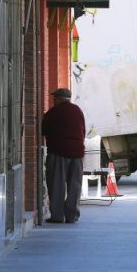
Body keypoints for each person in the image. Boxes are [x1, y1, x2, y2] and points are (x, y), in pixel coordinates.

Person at [42, 88, 86, 224]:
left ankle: (57, 216)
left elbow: (44, 130)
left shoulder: (53, 113)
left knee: (57, 185)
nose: (53, 100)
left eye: (54, 98)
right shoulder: (78, 110)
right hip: (77, 153)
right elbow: (83, 130)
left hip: (58, 153)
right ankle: (72, 215)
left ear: (59, 99)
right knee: (75, 186)